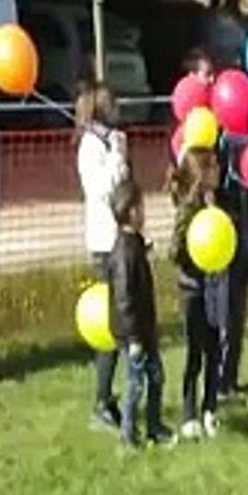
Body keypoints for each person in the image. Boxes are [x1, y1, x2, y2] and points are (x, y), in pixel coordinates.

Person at [74, 79, 130, 432]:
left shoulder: (108, 141)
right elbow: (104, 189)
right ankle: (102, 402)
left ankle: (112, 398)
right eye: (112, 102)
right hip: (104, 244)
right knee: (112, 325)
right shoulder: (91, 148)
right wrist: (117, 155)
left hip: (120, 240)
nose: (118, 107)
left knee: (123, 321)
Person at [107, 181, 175, 449]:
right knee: (135, 384)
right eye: (140, 207)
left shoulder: (133, 244)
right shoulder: (124, 251)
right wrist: (134, 337)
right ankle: (127, 435)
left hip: (145, 327)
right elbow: (124, 299)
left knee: (156, 377)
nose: (144, 212)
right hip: (134, 332)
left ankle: (155, 427)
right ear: (129, 211)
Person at [169, 147, 223, 440]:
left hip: (215, 287)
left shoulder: (216, 202)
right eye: (213, 167)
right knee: (195, 354)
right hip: (192, 290)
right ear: (201, 173)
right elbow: (173, 250)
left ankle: (210, 409)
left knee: (215, 351)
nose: (219, 171)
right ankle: (189, 413)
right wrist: (195, 251)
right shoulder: (188, 209)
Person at [215, 130, 248, 400]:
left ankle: (231, 378)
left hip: (243, 249)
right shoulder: (220, 157)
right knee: (225, 316)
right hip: (223, 249)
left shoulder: (244, 164)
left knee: (237, 317)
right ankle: (221, 380)